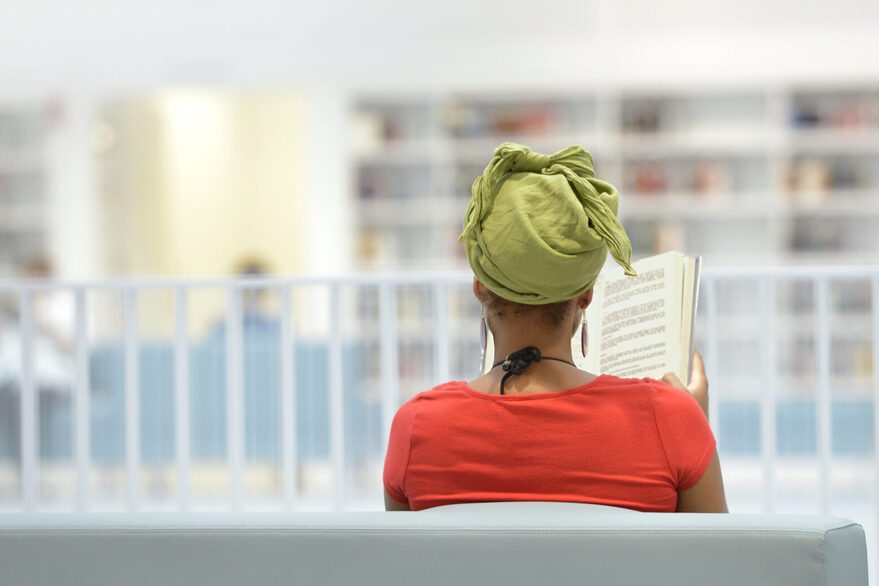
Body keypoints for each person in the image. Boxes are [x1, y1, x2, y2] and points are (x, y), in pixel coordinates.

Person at [383, 142, 727, 513]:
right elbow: (714, 565)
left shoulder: (417, 427)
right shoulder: (669, 418)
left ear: (480, 287)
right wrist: (693, 427)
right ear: (586, 296)